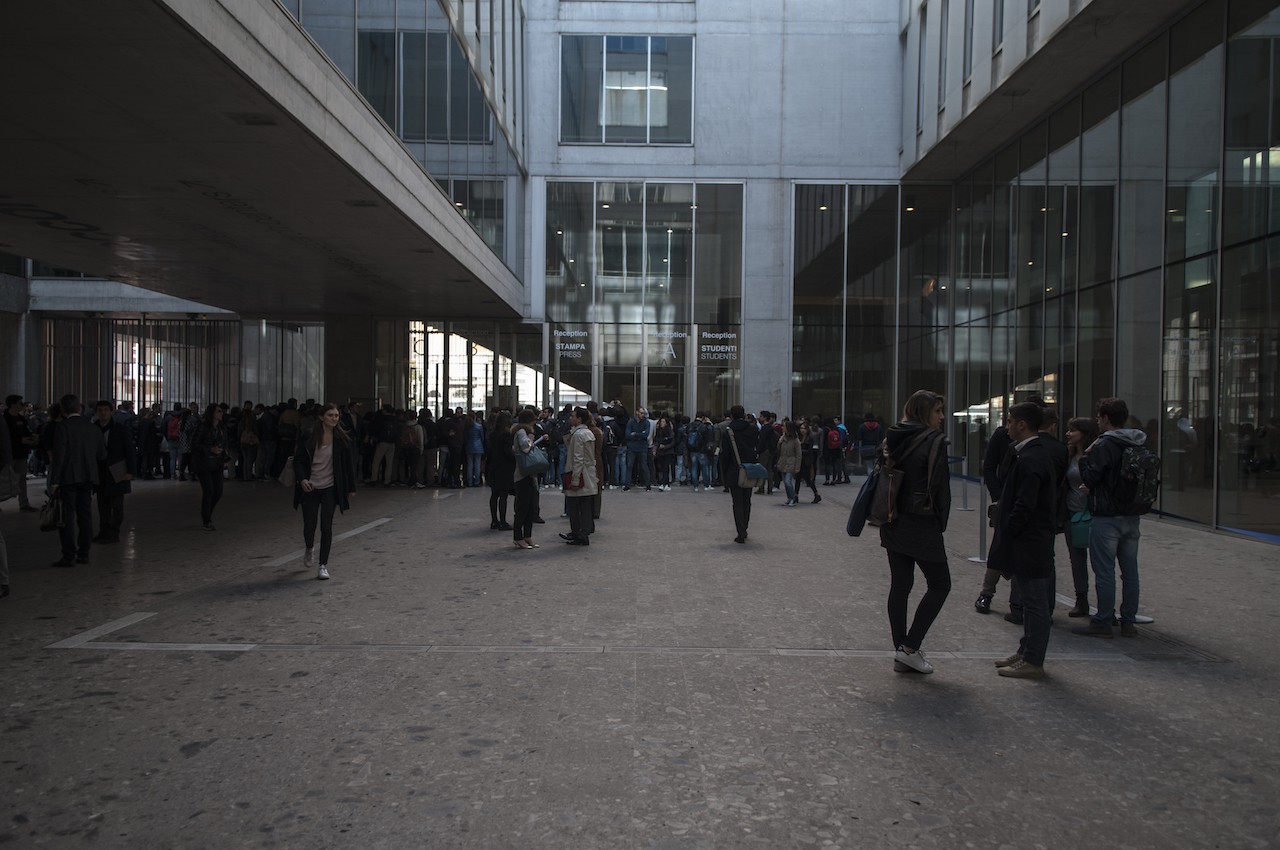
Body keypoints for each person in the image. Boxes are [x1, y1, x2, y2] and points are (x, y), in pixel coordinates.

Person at [878, 389, 951, 674]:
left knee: (900, 584)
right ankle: (909, 647)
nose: (942, 417)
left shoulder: (891, 437)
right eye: (937, 411)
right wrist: (939, 523)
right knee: (940, 584)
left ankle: (902, 650)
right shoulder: (935, 441)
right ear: (924, 412)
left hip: (892, 516)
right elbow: (940, 488)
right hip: (921, 521)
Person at [988, 403, 1058, 680]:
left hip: (1030, 541)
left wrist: (1007, 533)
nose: (1007, 426)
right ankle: (1026, 651)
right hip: (1029, 539)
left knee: (1035, 602)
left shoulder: (1032, 458)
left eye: (1010, 421)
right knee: (1030, 601)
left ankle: (1033, 658)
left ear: (1021, 424)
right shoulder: (1029, 455)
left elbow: (1024, 505)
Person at [1074, 397, 1147, 639]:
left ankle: (1103, 620)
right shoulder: (1138, 442)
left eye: (1099, 417)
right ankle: (1128, 621)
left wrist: (1084, 458)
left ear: (1106, 418)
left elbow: (1092, 477)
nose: (1097, 421)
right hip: (1132, 515)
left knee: (1104, 570)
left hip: (1106, 516)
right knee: (1130, 570)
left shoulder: (1104, 445)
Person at [293, 403, 358, 581]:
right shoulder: (309, 437)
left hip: (330, 488)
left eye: (336, 416)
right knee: (309, 525)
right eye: (330, 415)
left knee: (326, 526)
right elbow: (298, 461)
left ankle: (323, 565)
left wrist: (351, 487)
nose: (334, 418)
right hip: (311, 487)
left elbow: (348, 465)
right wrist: (303, 480)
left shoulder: (342, 439)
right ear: (321, 417)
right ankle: (309, 548)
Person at [48, 394, 106, 567]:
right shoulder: (93, 428)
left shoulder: (63, 427)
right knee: (85, 515)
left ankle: (69, 555)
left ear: (64, 410)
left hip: (68, 478)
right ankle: (84, 553)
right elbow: (102, 455)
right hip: (88, 477)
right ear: (79, 408)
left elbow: (59, 456)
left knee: (67, 517)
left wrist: (54, 481)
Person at [1064, 416, 1101, 618]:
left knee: (1099, 560)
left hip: (1094, 513)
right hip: (1073, 512)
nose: (1068, 434)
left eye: (1073, 430)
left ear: (1084, 434)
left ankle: (1104, 605)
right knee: (1076, 558)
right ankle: (1081, 599)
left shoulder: (1095, 455)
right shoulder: (1068, 455)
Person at [92, 400, 137, 544]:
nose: (103, 413)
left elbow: (129, 451)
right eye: (100, 410)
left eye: (105, 410)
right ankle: (103, 531)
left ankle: (114, 532)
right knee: (102, 505)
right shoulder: (93, 429)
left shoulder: (120, 429)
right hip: (100, 472)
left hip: (117, 471)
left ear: (111, 412)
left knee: (117, 505)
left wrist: (130, 471)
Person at [719, 405, 758, 544]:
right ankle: (745, 528)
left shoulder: (728, 432)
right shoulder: (753, 429)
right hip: (750, 469)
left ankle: (740, 531)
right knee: (747, 500)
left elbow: (725, 455)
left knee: (737, 502)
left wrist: (723, 472)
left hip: (734, 470)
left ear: (732, 416)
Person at [561, 407, 599, 545]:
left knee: (574, 505)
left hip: (579, 473)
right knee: (585, 505)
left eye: (573, 416)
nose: (571, 418)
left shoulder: (578, 435)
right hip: (588, 473)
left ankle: (578, 533)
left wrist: (575, 479)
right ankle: (583, 532)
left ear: (580, 419)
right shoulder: (588, 433)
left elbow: (578, 458)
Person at [190, 404, 228, 531]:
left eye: (221, 411)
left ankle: (207, 513)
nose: (221, 413)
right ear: (212, 413)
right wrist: (210, 449)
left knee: (218, 491)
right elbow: (194, 444)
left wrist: (223, 455)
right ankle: (206, 519)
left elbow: (222, 443)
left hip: (217, 462)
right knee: (209, 491)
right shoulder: (203, 427)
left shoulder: (221, 428)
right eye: (218, 411)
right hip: (204, 463)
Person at [511, 409, 544, 549]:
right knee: (522, 507)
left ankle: (527, 536)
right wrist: (532, 438)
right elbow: (526, 448)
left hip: (530, 475)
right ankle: (518, 537)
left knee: (530, 507)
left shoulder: (524, 432)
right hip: (523, 474)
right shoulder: (521, 432)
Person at [4, 394, 39, 512]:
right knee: (3, 479)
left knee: (22, 479)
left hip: (21, 453)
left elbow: (26, 431)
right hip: (7, 455)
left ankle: (24, 503)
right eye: (19, 403)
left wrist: (31, 437)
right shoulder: (4, 419)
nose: (22, 405)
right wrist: (20, 440)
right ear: (13, 405)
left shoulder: (21, 419)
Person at [486, 413, 516, 530]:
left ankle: (494, 520)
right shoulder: (507, 435)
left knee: (494, 495)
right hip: (505, 468)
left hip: (494, 466)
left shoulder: (492, 434)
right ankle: (503, 522)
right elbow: (507, 452)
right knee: (503, 496)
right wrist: (515, 458)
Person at [624, 408, 651, 492]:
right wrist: (640, 435)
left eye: (643, 413)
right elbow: (627, 435)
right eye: (641, 413)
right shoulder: (631, 422)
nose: (643, 415)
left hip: (642, 447)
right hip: (632, 447)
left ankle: (648, 485)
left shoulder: (646, 422)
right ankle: (627, 485)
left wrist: (635, 434)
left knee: (643, 466)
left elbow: (646, 434)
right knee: (629, 466)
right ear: (637, 413)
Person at [776, 419, 801, 506]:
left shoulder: (795, 440)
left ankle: (793, 498)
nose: (783, 428)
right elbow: (778, 450)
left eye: (784, 426)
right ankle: (789, 497)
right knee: (785, 483)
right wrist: (780, 441)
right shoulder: (783, 438)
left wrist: (797, 466)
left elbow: (798, 454)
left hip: (791, 462)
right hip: (783, 462)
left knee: (788, 482)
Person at [798, 420, 822, 504]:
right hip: (800, 460)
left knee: (807, 479)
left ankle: (816, 494)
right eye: (801, 428)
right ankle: (795, 495)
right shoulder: (800, 438)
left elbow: (809, 451)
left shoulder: (810, 438)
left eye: (804, 428)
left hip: (806, 461)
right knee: (798, 478)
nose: (802, 430)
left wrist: (801, 451)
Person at [653, 416, 675, 491]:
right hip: (661, 452)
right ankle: (664, 483)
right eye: (661, 422)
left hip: (667, 451)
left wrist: (665, 446)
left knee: (665, 467)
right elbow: (656, 440)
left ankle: (665, 483)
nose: (661, 423)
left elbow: (672, 442)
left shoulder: (669, 431)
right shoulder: (658, 431)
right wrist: (656, 448)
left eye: (663, 422)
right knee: (662, 468)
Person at [465, 412, 486, 487]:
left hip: (469, 446)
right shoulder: (479, 426)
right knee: (477, 464)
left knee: (470, 465)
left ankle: (470, 482)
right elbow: (482, 437)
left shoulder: (467, 426)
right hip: (478, 446)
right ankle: (477, 481)